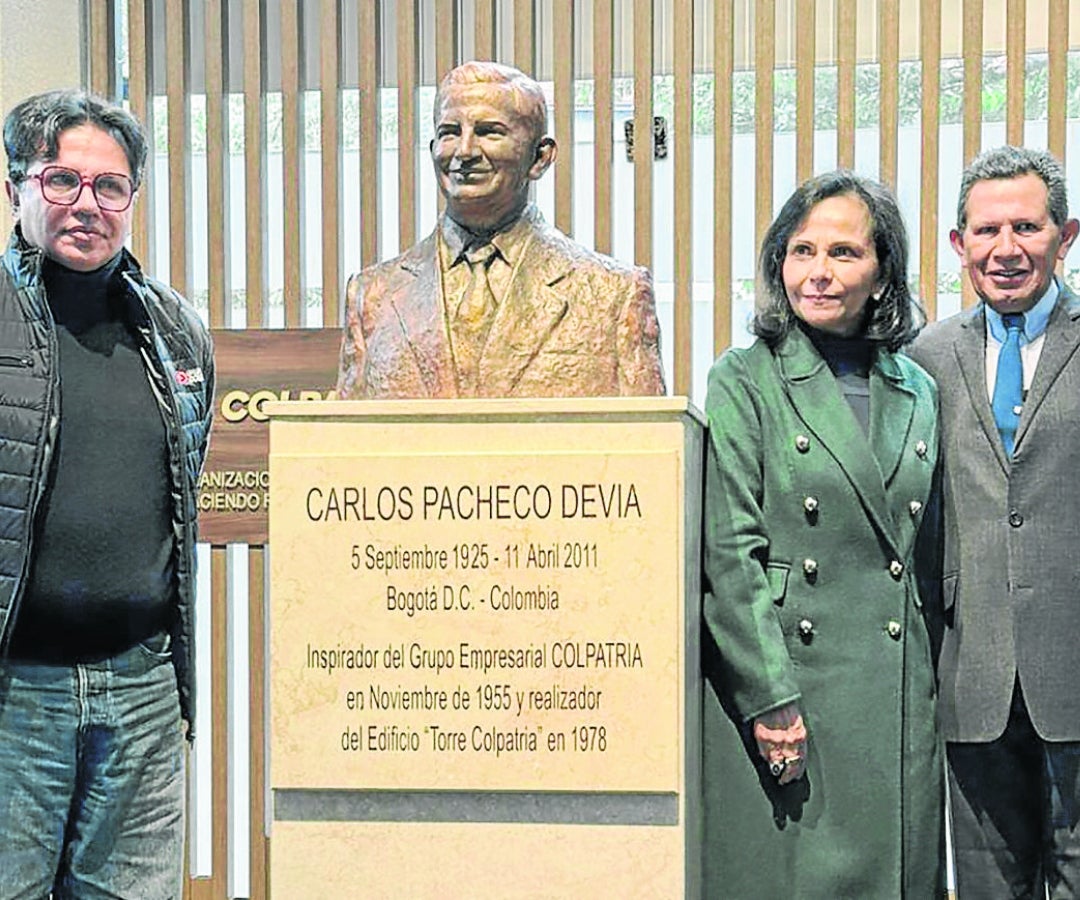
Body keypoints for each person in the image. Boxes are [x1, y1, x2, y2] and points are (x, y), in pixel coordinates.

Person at [701, 171, 944, 898]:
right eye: (801, 250)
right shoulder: (744, 377)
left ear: (882, 272)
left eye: (843, 252)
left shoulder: (916, 386)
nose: (819, 272)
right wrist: (769, 697)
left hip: (897, 696)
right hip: (789, 691)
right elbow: (731, 554)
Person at [0, 89, 213, 897]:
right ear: (16, 187)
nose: (87, 205)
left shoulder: (178, 332)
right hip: (15, 696)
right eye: (61, 181)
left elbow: (177, 493)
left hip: (143, 692)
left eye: (109, 187)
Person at [908, 146, 1080, 899]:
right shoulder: (926, 357)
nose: (1005, 250)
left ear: (1066, 236)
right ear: (958, 245)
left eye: (1026, 227)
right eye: (985, 231)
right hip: (972, 679)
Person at [336, 60, 665, 399]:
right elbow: (341, 444)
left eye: (488, 131)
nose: (464, 151)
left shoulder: (614, 295)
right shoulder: (372, 296)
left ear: (540, 157)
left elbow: (648, 442)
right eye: (450, 132)